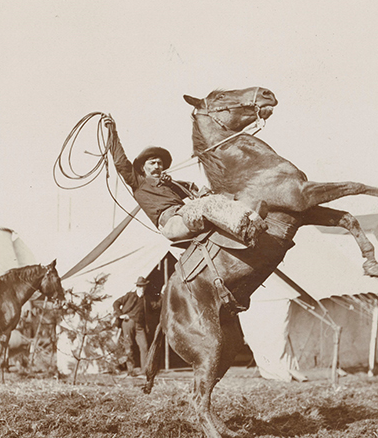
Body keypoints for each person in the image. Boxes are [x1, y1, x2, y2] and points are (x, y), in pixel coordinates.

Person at [103, 116, 267, 246]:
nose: (158, 165)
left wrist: (173, 184)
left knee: (222, 198)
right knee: (208, 204)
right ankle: (248, 231)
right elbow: (120, 161)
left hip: (185, 215)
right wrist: (112, 133)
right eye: (152, 162)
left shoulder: (172, 184)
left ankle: (254, 220)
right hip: (171, 223)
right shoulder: (138, 182)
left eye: (160, 163)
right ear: (142, 167)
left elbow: (195, 191)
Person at [113, 276, 152, 376]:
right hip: (128, 323)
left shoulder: (146, 298)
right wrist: (120, 314)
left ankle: (144, 371)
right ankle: (130, 370)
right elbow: (116, 303)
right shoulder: (130, 295)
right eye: (140, 287)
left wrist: (163, 294)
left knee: (144, 346)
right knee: (128, 346)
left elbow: (155, 305)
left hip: (139, 325)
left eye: (144, 287)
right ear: (137, 287)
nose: (142, 289)